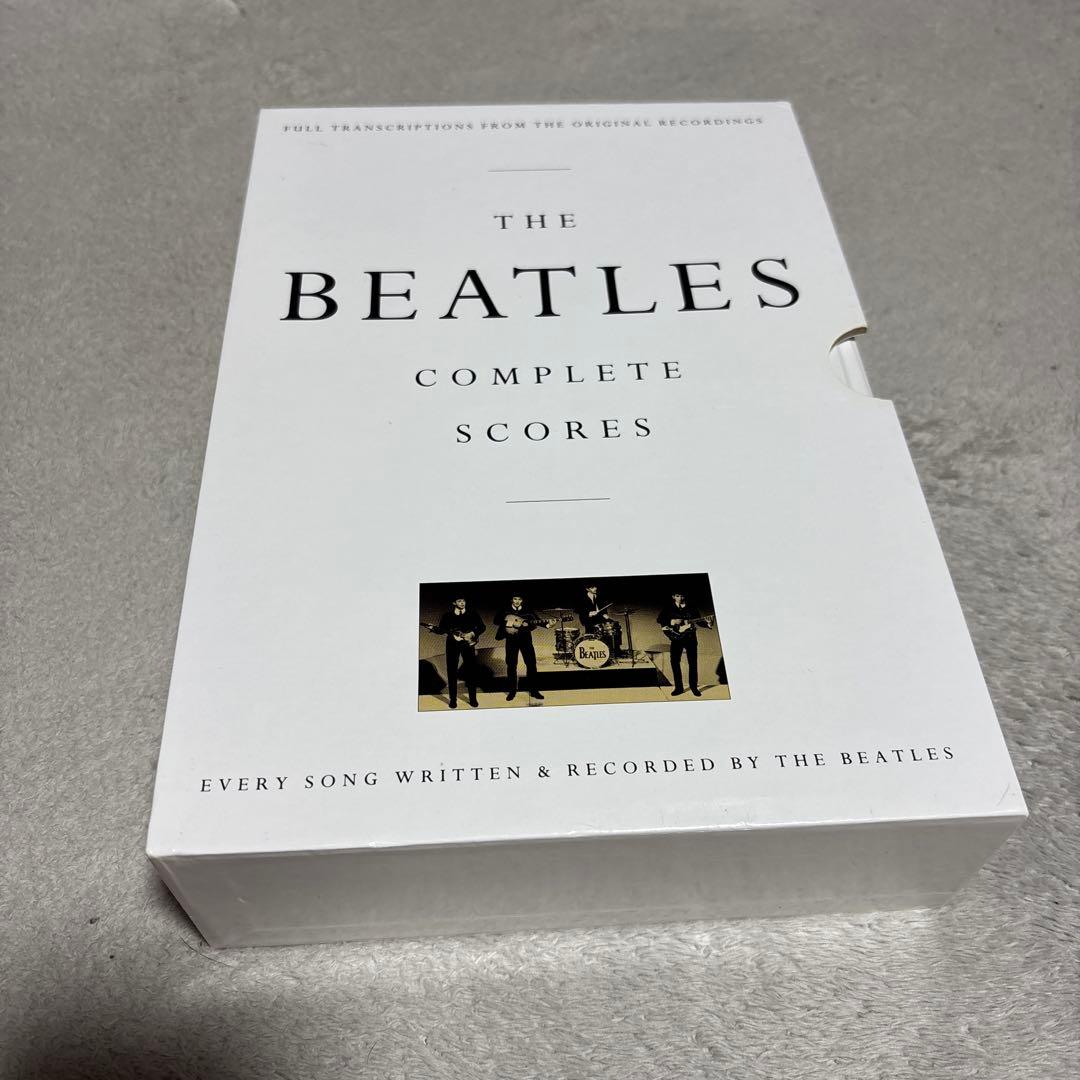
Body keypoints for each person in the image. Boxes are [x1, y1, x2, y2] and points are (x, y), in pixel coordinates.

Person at [427, 597, 484, 708]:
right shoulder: (447, 616)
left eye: (463, 601)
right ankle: (453, 700)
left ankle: (473, 699)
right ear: (454, 603)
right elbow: (442, 630)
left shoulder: (472, 613)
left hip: (468, 645)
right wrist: (433, 629)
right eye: (459, 601)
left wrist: (472, 633)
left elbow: (482, 627)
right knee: (451, 671)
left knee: (471, 671)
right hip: (452, 645)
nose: (462, 603)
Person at [494, 593, 549, 701]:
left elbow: (536, 620)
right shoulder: (505, 610)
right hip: (511, 640)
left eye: (519, 599)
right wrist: (512, 622)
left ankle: (534, 691)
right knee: (511, 665)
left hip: (526, 640)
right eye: (515, 599)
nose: (517, 601)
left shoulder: (528, 610)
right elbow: (496, 621)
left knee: (531, 664)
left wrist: (547, 625)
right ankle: (512, 691)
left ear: (522, 600)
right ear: (512, 600)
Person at [657, 591, 703, 697]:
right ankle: (679, 688)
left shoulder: (691, 607)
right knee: (674, 662)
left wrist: (707, 624)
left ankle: (694, 687)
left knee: (693, 663)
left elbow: (699, 621)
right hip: (676, 638)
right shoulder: (669, 607)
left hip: (690, 638)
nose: (680, 598)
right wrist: (672, 621)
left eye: (682, 596)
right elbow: (659, 619)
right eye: (677, 596)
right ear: (673, 597)